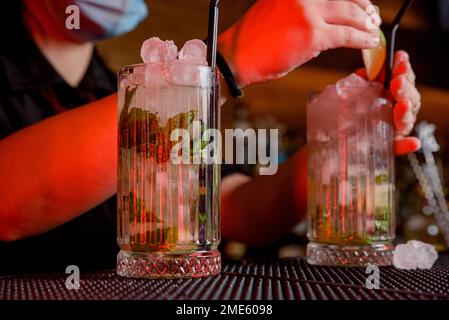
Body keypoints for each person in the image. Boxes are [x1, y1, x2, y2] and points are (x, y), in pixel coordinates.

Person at [0, 0, 420, 272]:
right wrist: (222, 63)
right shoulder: (141, 94)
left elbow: (237, 209)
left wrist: (340, 136)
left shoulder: (111, 88)